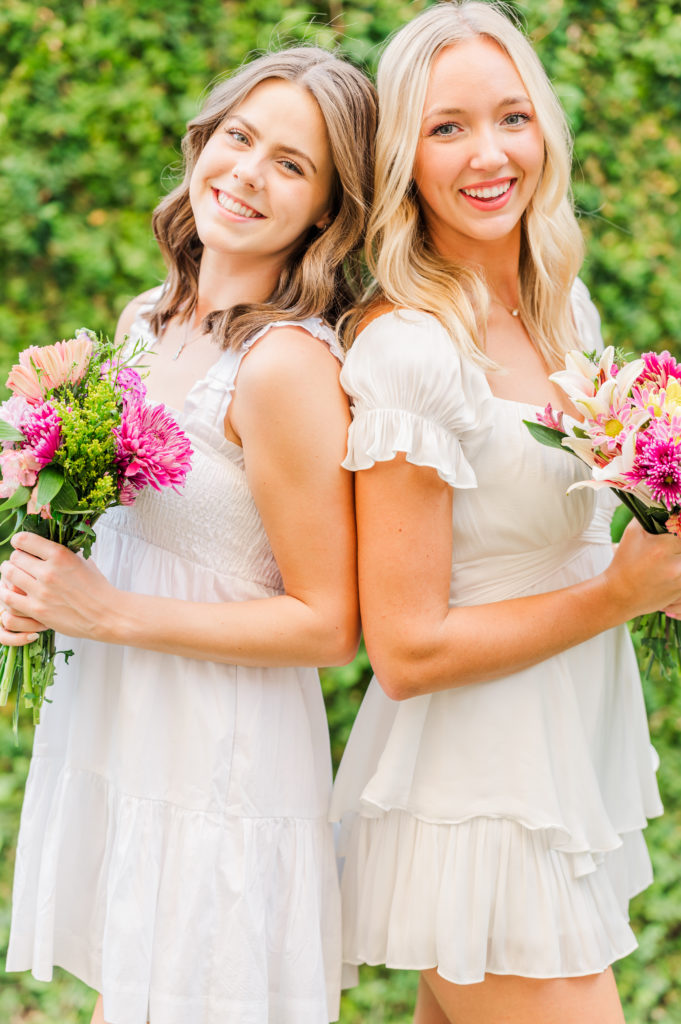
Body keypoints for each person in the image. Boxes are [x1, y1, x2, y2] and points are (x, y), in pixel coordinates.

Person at [1, 47, 376, 1024]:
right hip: (129, 736)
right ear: (205, 140)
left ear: (328, 213)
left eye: (292, 164)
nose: (248, 173)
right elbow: (133, 529)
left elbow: (330, 623)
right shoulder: (148, 321)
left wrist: (110, 610)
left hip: (222, 763)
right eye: (241, 136)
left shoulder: (284, 366)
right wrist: (40, 561)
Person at [329, 4, 681, 1022]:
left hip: (557, 759)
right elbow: (405, 648)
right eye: (447, 128)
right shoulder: (411, 354)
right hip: (476, 796)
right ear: (402, 154)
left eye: (511, 118)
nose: (490, 154)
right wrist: (623, 590)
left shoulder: (565, 312)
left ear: (546, 132)